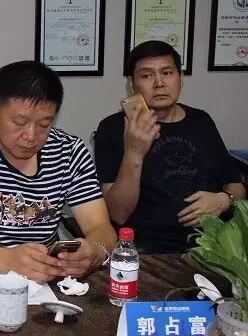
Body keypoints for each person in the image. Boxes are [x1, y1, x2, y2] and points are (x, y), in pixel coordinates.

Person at [0, 60, 117, 283]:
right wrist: (9, 260)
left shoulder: (69, 152)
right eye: (19, 122)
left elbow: (101, 227)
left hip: (46, 275)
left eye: (44, 125)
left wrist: (94, 252)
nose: (30, 136)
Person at [94, 41, 246, 253]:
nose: (159, 83)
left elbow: (237, 186)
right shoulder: (113, 128)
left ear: (180, 78)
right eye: (146, 75)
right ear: (131, 84)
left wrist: (224, 200)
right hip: (148, 252)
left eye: (167, 73)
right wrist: (134, 152)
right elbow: (117, 214)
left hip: (212, 247)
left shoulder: (201, 121)